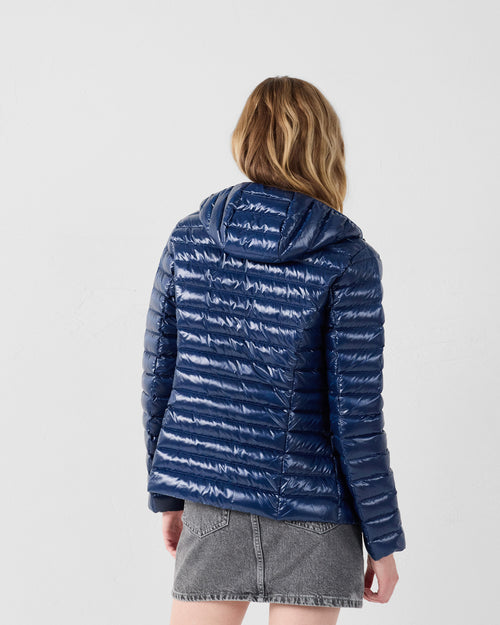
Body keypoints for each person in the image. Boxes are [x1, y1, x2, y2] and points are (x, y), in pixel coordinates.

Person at [141, 75, 406, 625]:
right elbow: (356, 417)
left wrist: (169, 495)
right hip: (317, 515)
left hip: (213, 498)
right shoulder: (348, 259)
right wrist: (382, 540)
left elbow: (159, 379)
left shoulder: (188, 241)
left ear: (246, 139)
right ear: (325, 147)